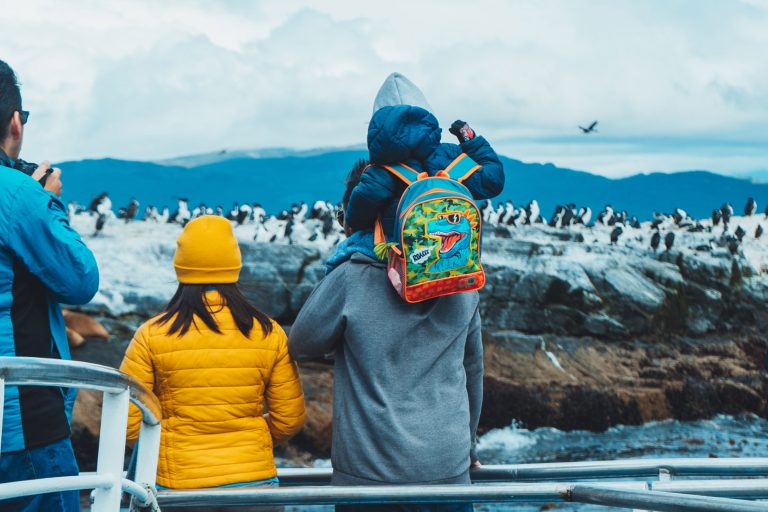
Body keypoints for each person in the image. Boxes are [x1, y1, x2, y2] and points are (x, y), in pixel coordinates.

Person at [288, 162, 484, 512]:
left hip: (370, 479)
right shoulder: (462, 283)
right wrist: (468, 448)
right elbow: (474, 372)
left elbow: (300, 343)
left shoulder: (352, 278)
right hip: (448, 471)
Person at [119, 215, 305, 506]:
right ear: (234, 265)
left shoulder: (151, 334)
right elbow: (289, 419)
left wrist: (169, 445)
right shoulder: (269, 332)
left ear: (181, 266)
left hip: (179, 487)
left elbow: (127, 422)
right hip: (255, 483)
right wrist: (248, 438)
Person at [0, 59, 100, 511]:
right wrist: (47, 202)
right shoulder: (18, 196)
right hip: (21, 421)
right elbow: (80, 280)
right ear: (15, 122)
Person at [345, 72, 505, 240]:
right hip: (456, 259)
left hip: (405, 262)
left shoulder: (380, 172)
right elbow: (492, 181)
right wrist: (472, 142)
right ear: (428, 115)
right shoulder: (451, 156)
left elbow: (356, 219)